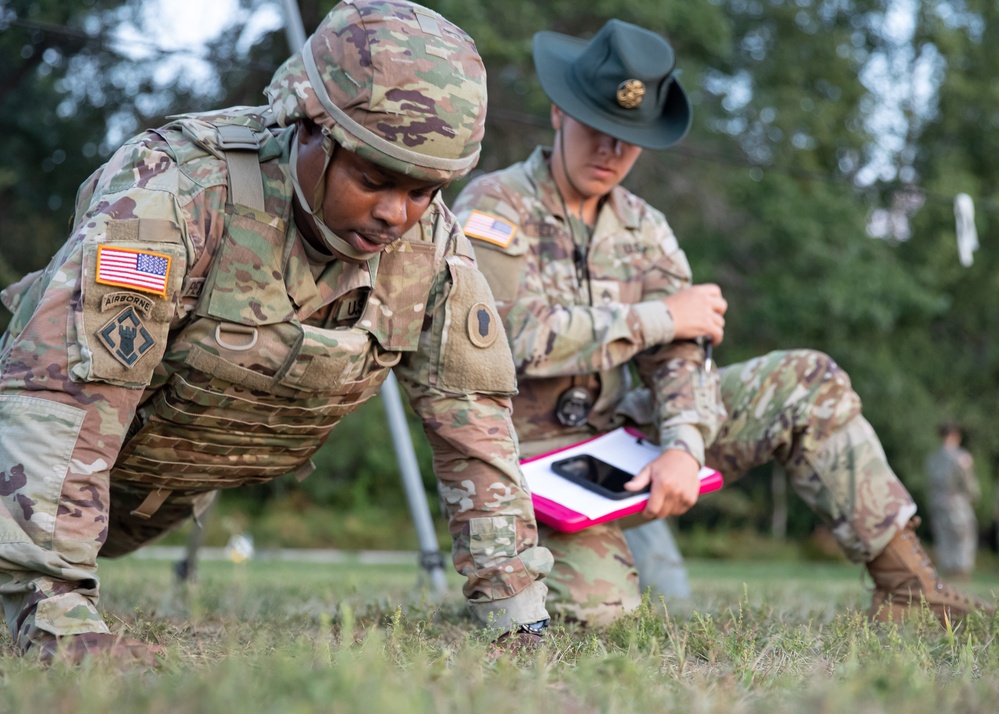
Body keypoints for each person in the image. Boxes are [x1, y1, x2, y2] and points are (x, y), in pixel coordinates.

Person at [0, 0, 553, 665]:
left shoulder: (431, 252)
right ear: (306, 128)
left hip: (149, 491)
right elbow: (65, 392)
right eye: (373, 180)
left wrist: (515, 612)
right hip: (31, 467)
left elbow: (475, 431)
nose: (393, 216)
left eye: (422, 192)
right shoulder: (177, 193)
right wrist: (51, 607)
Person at [452, 18, 994, 627]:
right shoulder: (493, 207)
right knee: (597, 612)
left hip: (613, 440)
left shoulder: (644, 227)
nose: (611, 152)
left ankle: (908, 590)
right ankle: (539, 568)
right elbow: (505, 340)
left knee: (806, 379)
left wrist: (684, 445)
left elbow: (683, 353)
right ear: (558, 113)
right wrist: (657, 317)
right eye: (597, 128)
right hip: (521, 468)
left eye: (628, 138)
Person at [925, 422, 980, 580]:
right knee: (963, 537)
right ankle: (961, 571)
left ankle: (948, 571)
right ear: (955, 436)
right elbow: (969, 482)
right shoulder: (962, 457)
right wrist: (974, 496)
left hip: (938, 502)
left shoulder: (933, 458)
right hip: (958, 503)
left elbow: (930, 484)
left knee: (944, 538)